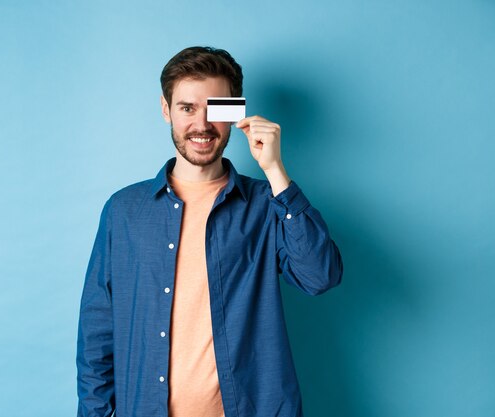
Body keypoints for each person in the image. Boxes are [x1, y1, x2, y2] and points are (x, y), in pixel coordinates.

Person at [76, 46, 343, 417]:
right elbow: (96, 335)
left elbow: (319, 276)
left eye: (216, 109)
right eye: (187, 108)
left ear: (235, 114)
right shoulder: (123, 212)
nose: (201, 125)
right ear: (166, 110)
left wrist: (276, 172)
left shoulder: (267, 204)